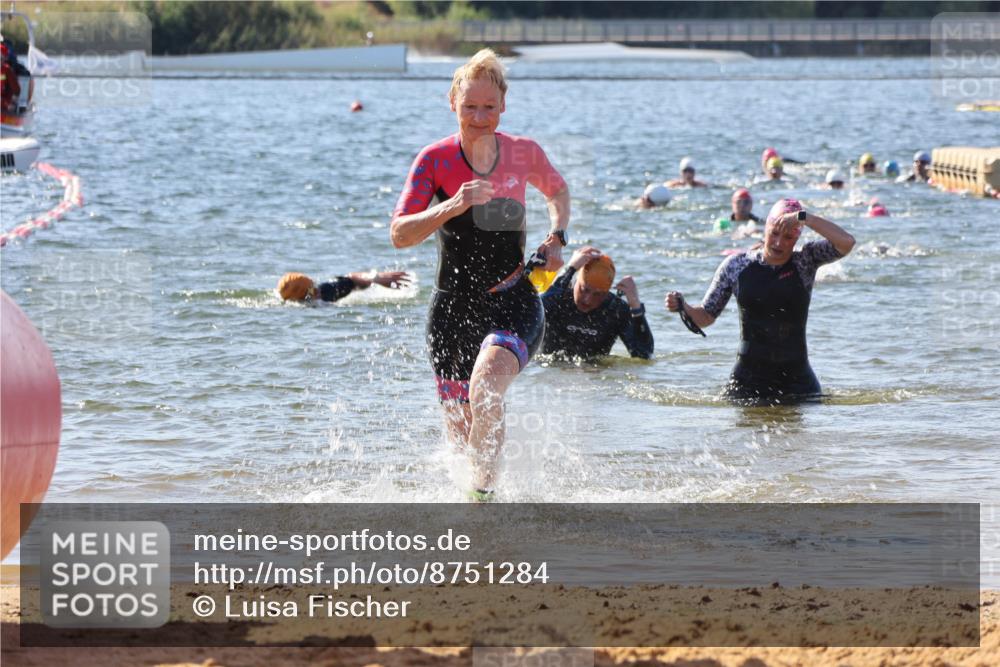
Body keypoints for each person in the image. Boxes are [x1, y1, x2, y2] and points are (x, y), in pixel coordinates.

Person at [390, 49, 570, 501]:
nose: (479, 117)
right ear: (452, 102)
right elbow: (400, 234)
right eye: (470, 106)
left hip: (513, 300)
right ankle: (478, 498)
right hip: (451, 312)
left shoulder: (523, 152)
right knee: (461, 433)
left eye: (489, 107)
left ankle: (483, 505)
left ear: (503, 105)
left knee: (486, 387)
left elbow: (557, 191)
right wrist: (452, 205)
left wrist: (556, 237)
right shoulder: (434, 160)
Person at [665, 198, 855, 404]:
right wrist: (683, 306)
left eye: (788, 237)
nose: (778, 243)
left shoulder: (805, 261)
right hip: (747, 379)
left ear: (797, 238)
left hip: (797, 381)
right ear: (765, 230)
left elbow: (846, 242)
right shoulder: (736, 265)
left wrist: (804, 218)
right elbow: (706, 316)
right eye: (774, 233)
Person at [540, 247, 653, 360]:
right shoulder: (559, 298)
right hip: (550, 367)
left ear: (607, 293)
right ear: (577, 281)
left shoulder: (615, 310)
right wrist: (569, 269)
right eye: (584, 290)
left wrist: (636, 308)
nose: (587, 300)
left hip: (594, 370)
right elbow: (536, 309)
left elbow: (643, 354)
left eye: (598, 294)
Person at [277, 270, 410, 303]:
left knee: (349, 280)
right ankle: (376, 278)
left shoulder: (325, 292)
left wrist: (374, 279)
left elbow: (350, 279)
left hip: (350, 283)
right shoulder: (324, 293)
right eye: (312, 288)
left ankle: (376, 277)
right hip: (348, 283)